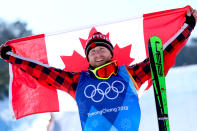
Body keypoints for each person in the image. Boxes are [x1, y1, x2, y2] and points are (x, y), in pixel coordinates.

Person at [0, 8, 197, 131]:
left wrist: (187, 27)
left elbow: (159, 57)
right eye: (92, 52)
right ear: (88, 58)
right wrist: (14, 58)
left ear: (111, 54)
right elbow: (44, 72)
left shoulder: (130, 74)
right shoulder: (76, 81)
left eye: (102, 49)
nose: (98, 53)